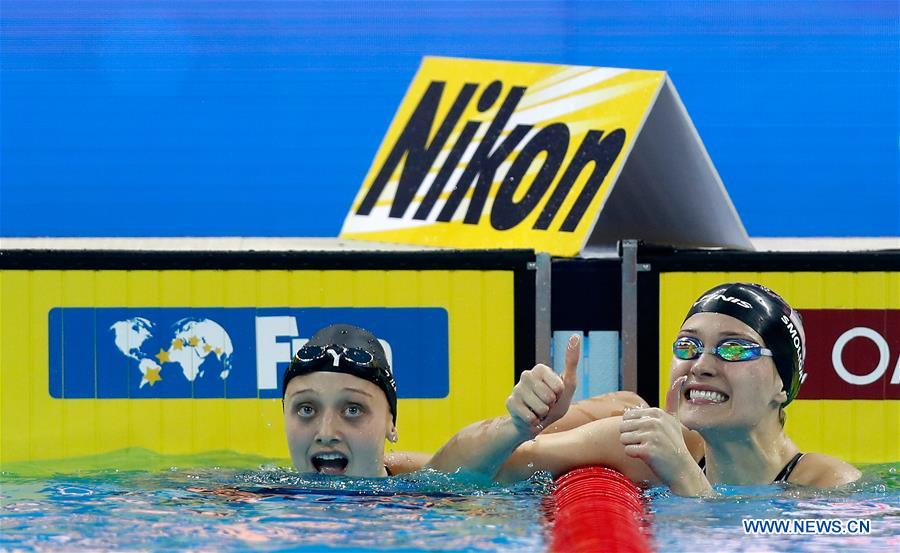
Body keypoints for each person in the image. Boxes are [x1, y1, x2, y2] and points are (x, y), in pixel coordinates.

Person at [429, 282, 861, 495]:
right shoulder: (645, 444)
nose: (701, 366)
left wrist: (688, 481)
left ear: (783, 385)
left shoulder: (830, 487)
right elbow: (449, 479)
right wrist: (519, 427)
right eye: (689, 346)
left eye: (733, 349)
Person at [282, 323, 644, 478]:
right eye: (306, 409)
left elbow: (631, 409)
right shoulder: (249, 495)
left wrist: (521, 426)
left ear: (392, 423)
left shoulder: (424, 489)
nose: (326, 431)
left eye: (353, 409)